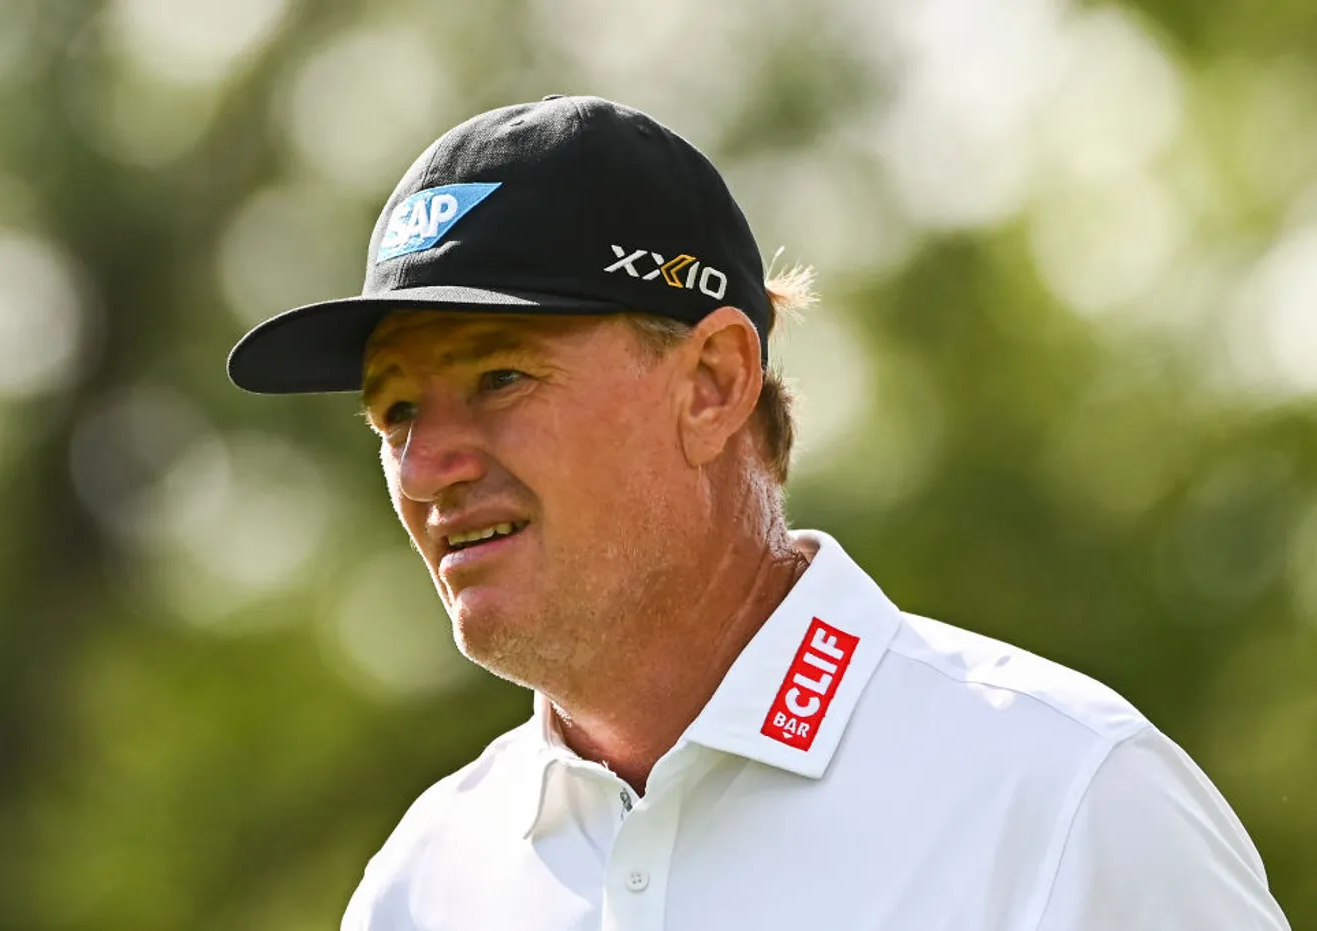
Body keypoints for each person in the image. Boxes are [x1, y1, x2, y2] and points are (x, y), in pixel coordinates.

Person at [227, 96, 1291, 931]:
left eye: (499, 377)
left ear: (713, 383)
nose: (426, 467)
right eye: (397, 412)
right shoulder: (423, 885)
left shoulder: (1063, 796)